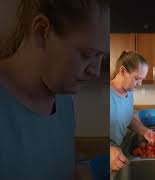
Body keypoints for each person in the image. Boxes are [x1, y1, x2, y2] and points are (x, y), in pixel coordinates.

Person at [0, 0, 109, 179]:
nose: (96, 71)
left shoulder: (64, 100)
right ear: (42, 31)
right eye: (87, 55)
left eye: (101, 58)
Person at [110, 51, 155, 171]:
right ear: (122, 71)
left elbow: (127, 118)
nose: (140, 84)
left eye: (142, 79)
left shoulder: (129, 93)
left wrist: (144, 131)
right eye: (137, 78)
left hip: (121, 152)